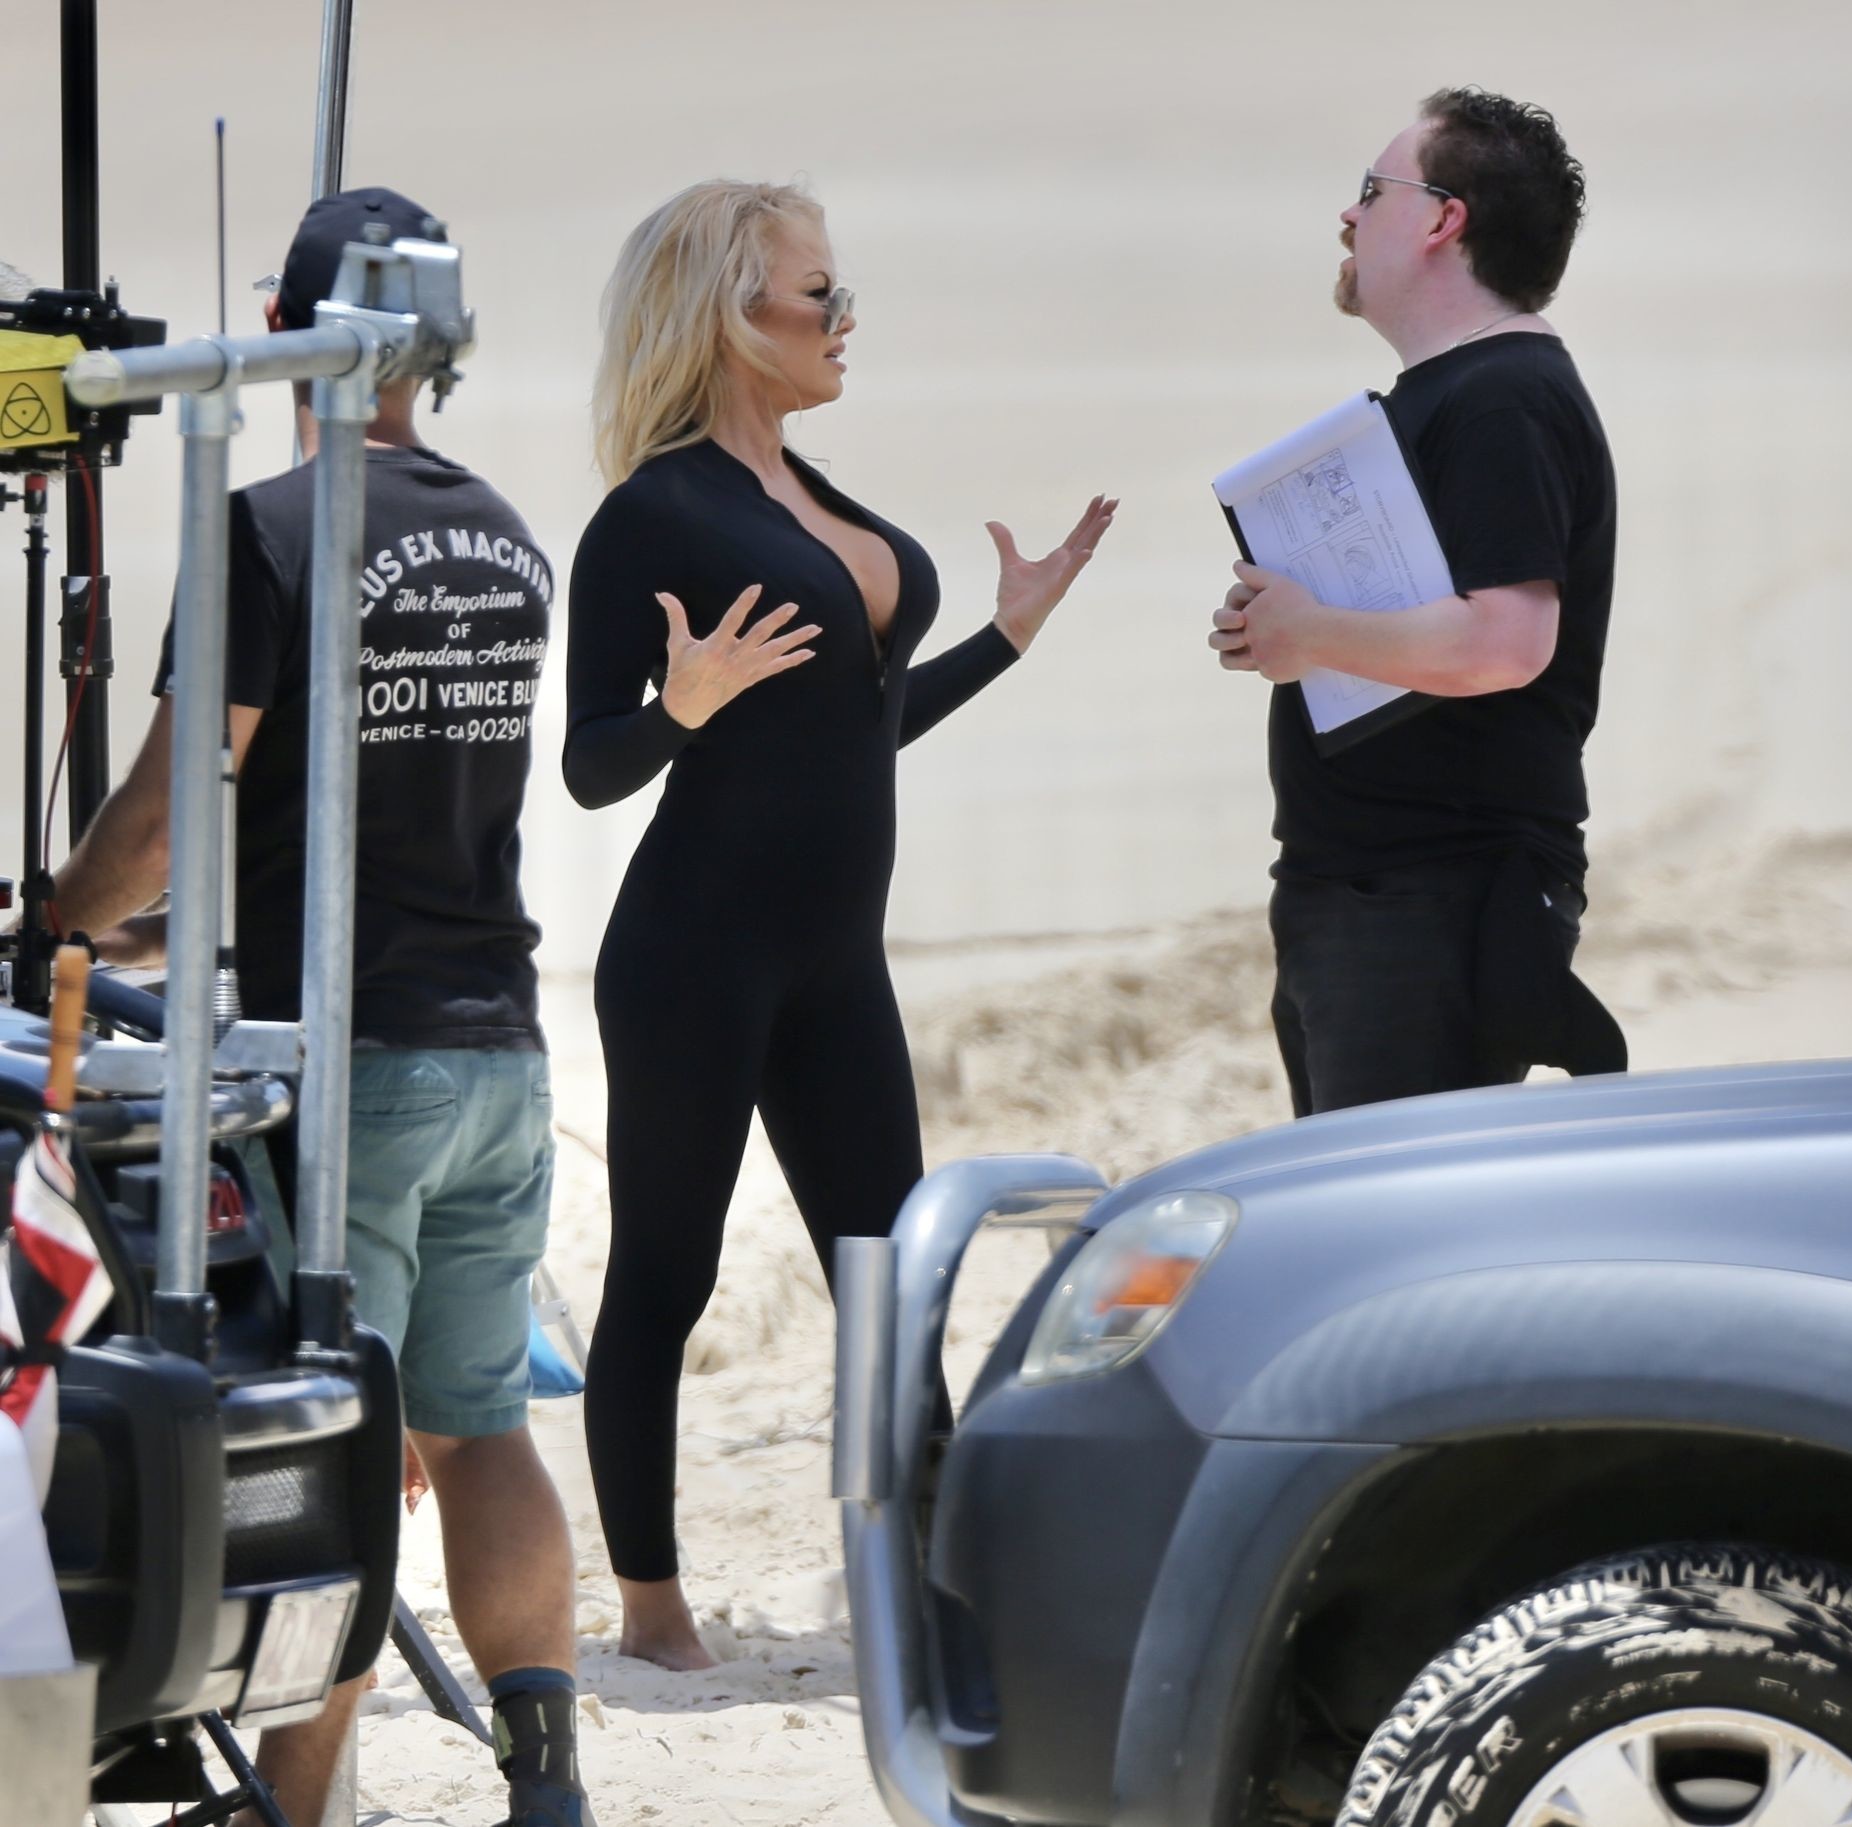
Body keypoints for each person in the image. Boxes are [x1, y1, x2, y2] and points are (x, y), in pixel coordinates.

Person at [49, 188, 594, 1827]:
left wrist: (53, 923)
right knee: (482, 1427)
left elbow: (166, 820)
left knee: (340, 1441)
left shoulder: (270, 529)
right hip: (502, 1043)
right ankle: (548, 1782)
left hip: (356, 1059)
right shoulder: (505, 530)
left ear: (288, 330)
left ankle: (294, 1805)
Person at [567, 179, 1114, 1669]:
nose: (846, 316)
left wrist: (1006, 635)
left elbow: (853, 732)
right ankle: (653, 1610)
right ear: (732, 315)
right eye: (823, 294)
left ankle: (922, 1589)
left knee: (888, 1276)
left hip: (833, 965)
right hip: (691, 959)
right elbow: (591, 764)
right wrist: (681, 707)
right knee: (664, 1277)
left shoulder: (813, 493)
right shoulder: (653, 514)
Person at [1210, 86, 1624, 1117]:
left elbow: (1508, 642)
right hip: (1372, 891)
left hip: (1433, 894)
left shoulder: (1505, 396)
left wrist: (1311, 631)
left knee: (1394, 1209)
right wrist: (1282, 627)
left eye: (1371, 190)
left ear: (1444, 220)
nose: (1347, 216)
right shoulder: (1460, 391)